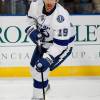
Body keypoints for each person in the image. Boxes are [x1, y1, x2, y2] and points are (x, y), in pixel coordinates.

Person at [26, 0, 75, 100]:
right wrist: (32, 31)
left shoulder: (61, 16)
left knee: (40, 71)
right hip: (45, 42)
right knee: (33, 69)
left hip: (63, 46)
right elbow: (29, 20)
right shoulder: (35, 5)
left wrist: (48, 58)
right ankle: (45, 86)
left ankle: (38, 97)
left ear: (57, 0)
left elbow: (60, 45)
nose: (49, 1)